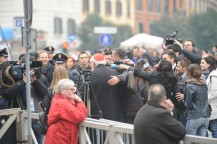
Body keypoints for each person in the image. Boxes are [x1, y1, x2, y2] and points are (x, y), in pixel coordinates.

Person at [45, 79, 87, 144]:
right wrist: (79, 102)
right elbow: (80, 116)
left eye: (74, 89)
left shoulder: (59, 100)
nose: (74, 92)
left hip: (59, 136)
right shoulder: (63, 103)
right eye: (71, 89)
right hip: (59, 138)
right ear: (63, 91)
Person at [89, 53, 124, 121]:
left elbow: (89, 95)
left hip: (98, 112)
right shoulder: (115, 72)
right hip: (114, 111)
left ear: (94, 63)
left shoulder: (91, 74)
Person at [184, 64, 209, 137]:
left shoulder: (190, 86)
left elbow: (188, 105)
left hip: (194, 116)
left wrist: (184, 102)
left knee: (189, 141)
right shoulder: (204, 84)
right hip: (205, 117)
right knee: (202, 141)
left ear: (189, 73)